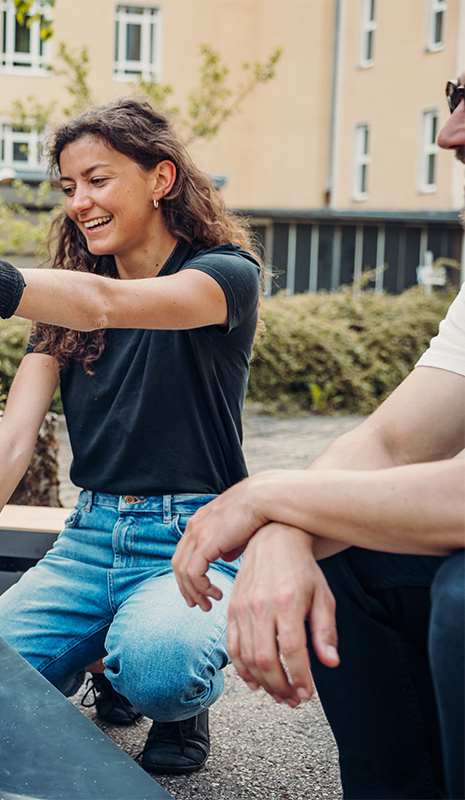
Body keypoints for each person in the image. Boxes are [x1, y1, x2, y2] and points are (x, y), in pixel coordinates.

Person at [0, 97, 262, 774]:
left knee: (160, 671)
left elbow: (109, 305)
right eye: (68, 187)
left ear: (161, 178)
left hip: (194, 535)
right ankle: (115, 652)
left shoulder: (224, 276)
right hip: (89, 539)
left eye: (98, 179)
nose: (80, 202)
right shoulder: (64, 308)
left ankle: (157, 676)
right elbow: (13, 435)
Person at [171, 75, 465, 800]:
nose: (449, 133)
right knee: (352, 552)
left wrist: (273, 494)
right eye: (454, 93)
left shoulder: (222, 272)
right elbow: (392, 443)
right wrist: (287, 532)